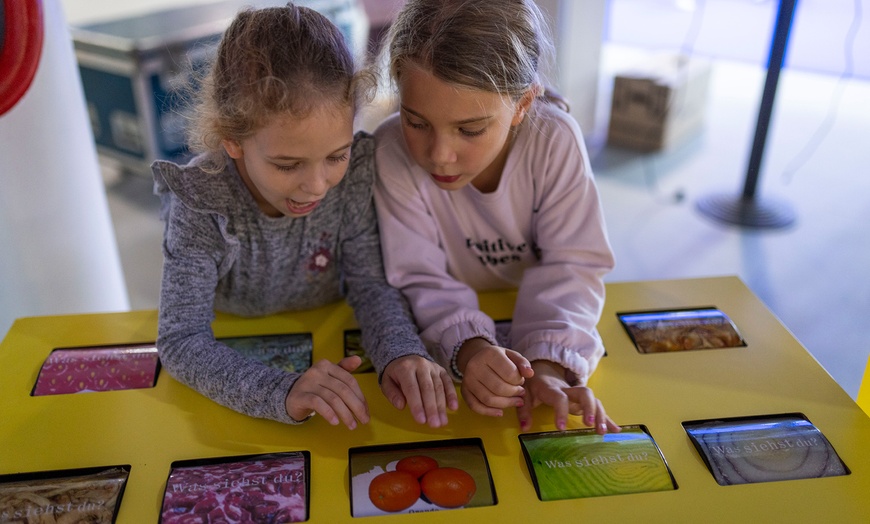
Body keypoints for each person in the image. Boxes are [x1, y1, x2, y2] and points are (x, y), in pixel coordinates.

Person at [153, 4, 457, 430]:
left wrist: (401, 352)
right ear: (232, 140)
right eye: (287, 165)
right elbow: (181, 340)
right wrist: (281, 390)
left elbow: (371, 286)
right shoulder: (200, 199)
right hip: (235, 340)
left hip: (330, 327)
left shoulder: (354, 174)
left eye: (336, 155)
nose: (316, 185)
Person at [373, 0, 620, 434]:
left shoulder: (554, 141)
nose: (439, 155)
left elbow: (573, 265)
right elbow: (418, 277)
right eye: (416, 122)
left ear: (523, 104)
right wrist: (469, 350)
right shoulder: (390, 150)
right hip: (453, 325)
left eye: (469, 130)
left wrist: (545, 368)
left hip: (533, 315)